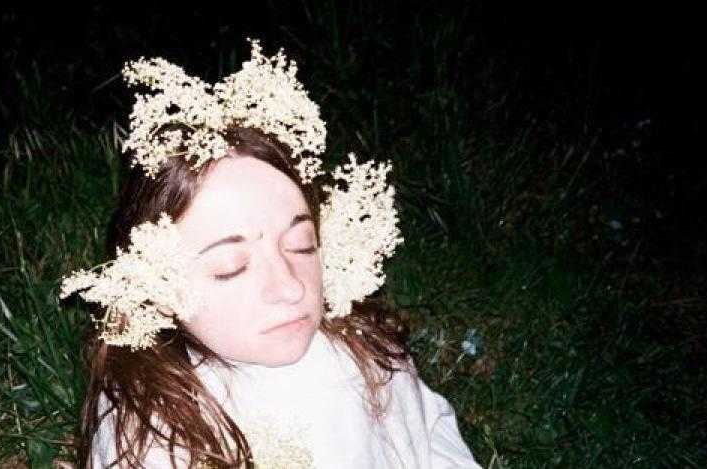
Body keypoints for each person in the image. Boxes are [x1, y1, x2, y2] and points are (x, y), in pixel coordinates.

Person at [59, 39, 480, 469]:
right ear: (157, 287)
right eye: (232, 268)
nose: (291, 287)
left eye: (301, 245)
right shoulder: (154, 437)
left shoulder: (364, 354)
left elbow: (431, 433)